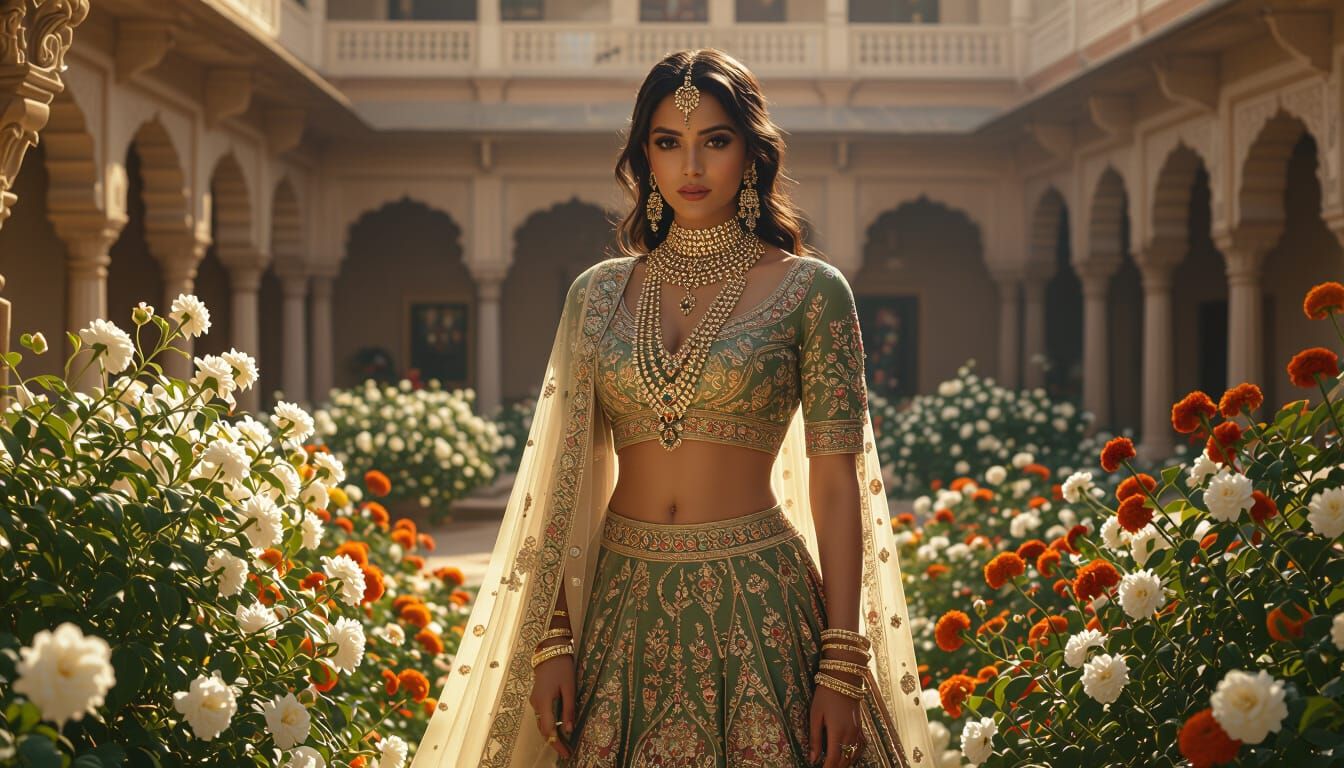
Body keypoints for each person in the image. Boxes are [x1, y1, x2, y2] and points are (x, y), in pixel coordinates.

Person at [411, 48, 934, 768]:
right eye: (668, 142)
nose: (692, 165)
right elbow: (560, 483)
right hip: (622, 605)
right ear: (644, 157)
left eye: (714, 141)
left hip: (762, 610)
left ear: (750, 152)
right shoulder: (595, 295)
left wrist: (840, 661)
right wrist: (553, 639)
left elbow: (836, 483)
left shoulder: (814, 292)